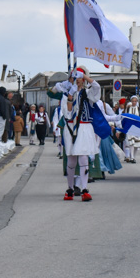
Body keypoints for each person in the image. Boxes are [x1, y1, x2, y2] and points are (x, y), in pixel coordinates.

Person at [55, 66, 100, 201]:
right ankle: (70, 188)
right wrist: (70, 96)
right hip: (70, 128)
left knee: (83, 158)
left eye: (80, 77)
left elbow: (97, 87)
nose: (78, 80)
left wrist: (85, 76)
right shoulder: (67, 93)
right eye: (76, 77)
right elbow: (67, 113)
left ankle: (85, 189)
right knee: (71, 159)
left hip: (84, 128)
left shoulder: (88, 93)